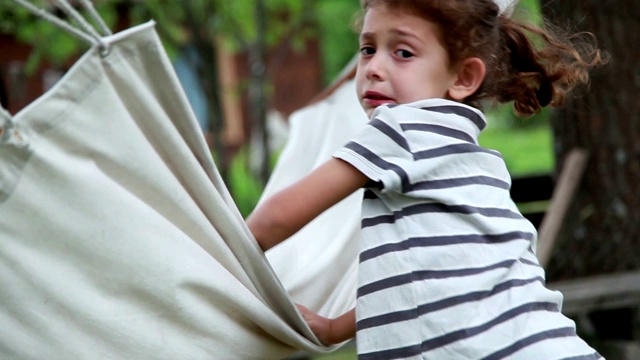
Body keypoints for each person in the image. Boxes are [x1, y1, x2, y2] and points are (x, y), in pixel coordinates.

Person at [247, 0, 607, 358]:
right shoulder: (477, 159)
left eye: (403, 52)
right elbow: (419, 283)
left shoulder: (401, 128)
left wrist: (214, 253)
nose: (374, 68)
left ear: (463, 77)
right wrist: (331, 328)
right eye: (368, 49)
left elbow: (277, 218)